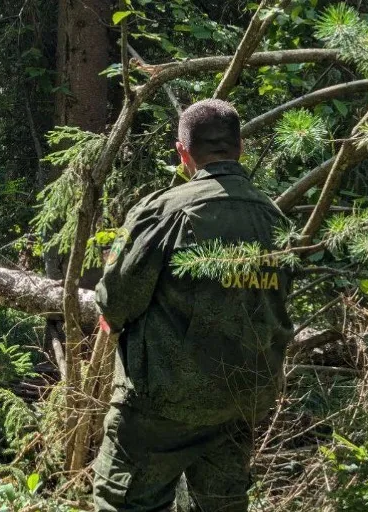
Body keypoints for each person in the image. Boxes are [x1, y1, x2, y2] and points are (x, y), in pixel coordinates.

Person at [92, 99, 294, 512]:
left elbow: (115, 299)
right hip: (240, 400)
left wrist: (112, 316)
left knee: (124, 503)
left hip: (161, 405)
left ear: (182, 152)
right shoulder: (275, 218)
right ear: (240, 149)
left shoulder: (164, 211)